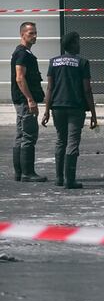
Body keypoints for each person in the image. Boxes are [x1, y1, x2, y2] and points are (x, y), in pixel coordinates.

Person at [40, 32, 98, 189]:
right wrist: (93, 113)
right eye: (78, 42)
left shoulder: (54, 62)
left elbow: (50, 87)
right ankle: (70, 180)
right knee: (72, 142)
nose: (79, 45)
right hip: (76, 108)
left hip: (57, 107)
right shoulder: (82, 62)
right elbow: (87, 90)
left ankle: (59, 178)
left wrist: (46, 111)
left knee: (60, 140)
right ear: (72, 44)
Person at [11, 22, 47, 182]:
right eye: (31, 33)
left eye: (35, 33)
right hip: (25, 101)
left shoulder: (23, 53)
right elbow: (20, 77)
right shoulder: (22, 54)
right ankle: (28, 173)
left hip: (21, 100)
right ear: (22, 34)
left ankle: (19, 173)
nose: (34, 36)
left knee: (21, 136)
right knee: (29, 136)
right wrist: (30, 100)